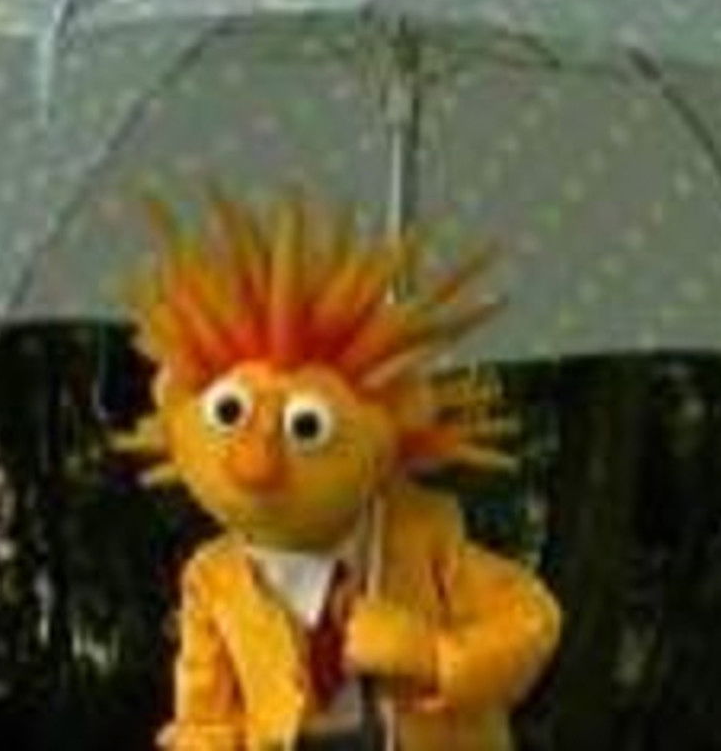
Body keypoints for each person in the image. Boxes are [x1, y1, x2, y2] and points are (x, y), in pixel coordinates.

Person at [120, 189, 561, 751]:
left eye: (307, 427)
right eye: (229, 414)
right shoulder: (214, 579)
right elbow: (206, 719)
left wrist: (431, 655)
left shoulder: (426, 540)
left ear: (393, 418)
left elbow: (530, 619)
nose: (256, 462)